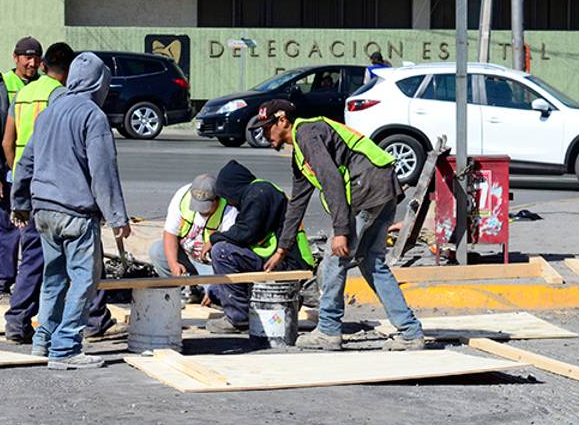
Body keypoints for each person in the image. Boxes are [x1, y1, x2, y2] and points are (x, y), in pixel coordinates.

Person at [248, 100, 424, 351]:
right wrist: (282, 249)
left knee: (333, 261)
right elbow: (296, 203)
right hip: (382, 189)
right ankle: (410, 332)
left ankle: (329, 330)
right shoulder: (301, 151)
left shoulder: (307, 134)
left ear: (283, 120)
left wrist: (341, 231)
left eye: (267, 128)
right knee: (372, 262)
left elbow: (332, 180)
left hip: (366, 191)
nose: (264, 134)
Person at [11, 52, 131, 370]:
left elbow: (25, 162)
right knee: (83, 280)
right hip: (75, 214)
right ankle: (65, 347)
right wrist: (118, 217)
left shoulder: (50, 113)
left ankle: (43, 340)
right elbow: (103, 171)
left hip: (44, 211)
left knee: (53, 278)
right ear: (98, 83)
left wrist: (20, 203)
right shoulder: (93, 116)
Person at [199, 160, 317, 333]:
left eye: (227, 196)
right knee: (216, 291)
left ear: (233, 188)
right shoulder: (258, 192)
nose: (229, 202)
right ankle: (276, 303)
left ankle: (239, 319)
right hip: (277, 258)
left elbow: (246, 232)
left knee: (221, 252)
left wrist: (214, 239)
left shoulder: (259, 193)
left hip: (286, 261)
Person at [0, 37, 43, 303]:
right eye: (26, 57)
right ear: (15, 57)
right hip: (9, 175)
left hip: (37, 176)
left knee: (34, 232)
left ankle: (30, 286)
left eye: (36, 57)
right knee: (7, 230)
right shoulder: (3, 89)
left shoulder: (45, 87)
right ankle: (1, 284)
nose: (31, 63)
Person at [149, 174, 237, 303]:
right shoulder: (182, 196)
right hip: (186, 254)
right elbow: (170, 233)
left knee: (218, 295)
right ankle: (179, 291)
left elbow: (229, 255)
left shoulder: (229, 209)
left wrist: (217, 285)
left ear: (217, 199)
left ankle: (203, 290)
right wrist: (173, 264)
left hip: (211, 265)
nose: (201, 211)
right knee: (157, 251)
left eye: (206, 207)